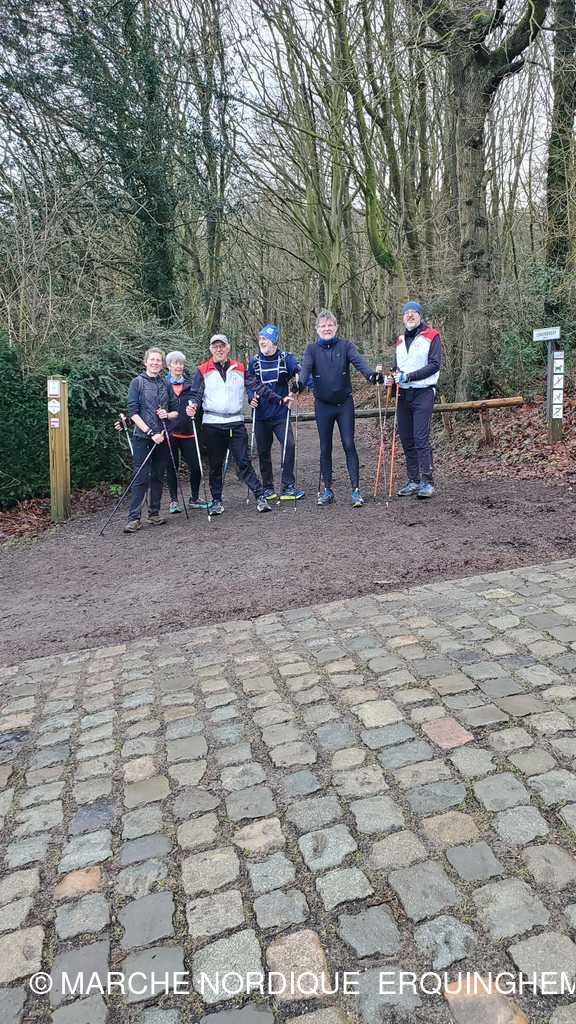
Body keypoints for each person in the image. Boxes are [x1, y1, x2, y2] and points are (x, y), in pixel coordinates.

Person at [185, 334, 292, 515]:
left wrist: (279, 399)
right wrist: (193, 406)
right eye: (215, 346)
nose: (219, 349)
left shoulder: (239, 368)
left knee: (243, 462)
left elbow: (258, 387)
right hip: (212, 424)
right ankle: (216, 501)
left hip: (235, 423)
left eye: (222, 346)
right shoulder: (202, 370)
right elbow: (195, 394)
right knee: (215, 465)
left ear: (228, 348)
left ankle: (260, 496)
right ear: (211, 349)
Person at [298, 308, 383, 507]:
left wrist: (371, 375)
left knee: (348, 443)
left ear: (336, 327)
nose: (327, 328)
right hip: (323, 405)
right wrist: (299, 384)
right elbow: (305, 370)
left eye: (330, 325)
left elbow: (359, 363)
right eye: (323, 326)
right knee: (325, 447)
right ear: (317, 329)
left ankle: (356, 490)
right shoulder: (311, 349)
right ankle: (327, 490)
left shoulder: (346, 346)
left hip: (344, 404)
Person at [386, 300, 441, 499]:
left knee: (420, 437)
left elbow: (434, 365)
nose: (410, 315)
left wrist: (409, 377)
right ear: (403, 317)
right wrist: (391, 377)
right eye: (406, 312)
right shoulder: (400, 340)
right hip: (403, 394)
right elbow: (396, 366)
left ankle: (427, 481)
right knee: (406, 438)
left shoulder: (431, 335)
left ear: (420, 315)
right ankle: (413, 480)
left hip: (423, 392)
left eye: (413, 312)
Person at [123, 347, 178, 534]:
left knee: (157, 476)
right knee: (140, 477)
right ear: (145, 362)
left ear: (162, 364)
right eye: (152, 360)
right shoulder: (137, 383)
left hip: (162, 437)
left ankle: (154, 513)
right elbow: (133, 413)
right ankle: (134, 518)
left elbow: (176, 411)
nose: (155, 363)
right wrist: (150, 432)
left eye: (158, 360)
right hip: (142, 437)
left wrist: (167, 414)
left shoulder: (166, 383)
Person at [247, 323, 304, 501]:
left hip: (280, 412)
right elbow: (249, 384)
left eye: (265, 338)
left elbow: (300, 373)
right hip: (260, 414)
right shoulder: (254, 361)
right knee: (263, 451)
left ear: (274, 341)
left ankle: (288, 486)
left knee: (289, 445)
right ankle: (267, 488)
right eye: (260, 338)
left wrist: (298, 385)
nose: (262, 342)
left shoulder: (286, 358)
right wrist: (250, 397)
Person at [164, 350, 209, 513]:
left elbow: (198, 402)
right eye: (175, 363)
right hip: (170, 432)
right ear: (169, 365)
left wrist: (195, 408)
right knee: (171, 467)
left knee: (196, 466)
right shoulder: (162, 384)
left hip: (189, 431)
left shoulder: (191, 385)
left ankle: (194, 498)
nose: (179, 366)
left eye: (181, 363)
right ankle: (174, 501)